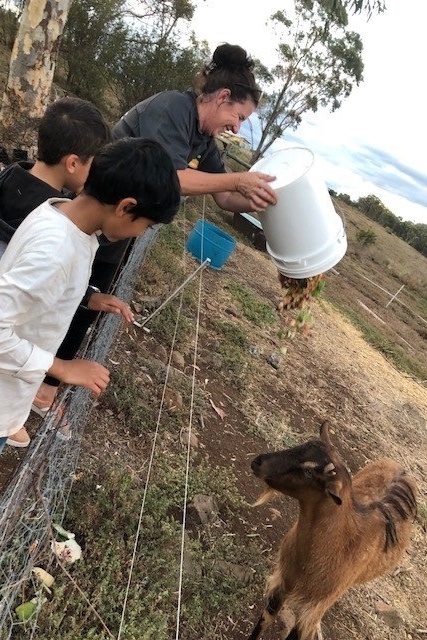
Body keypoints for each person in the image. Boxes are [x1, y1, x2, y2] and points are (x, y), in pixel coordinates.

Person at [36, 43, 277, 413]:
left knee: (87, 300)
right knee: (65, 295)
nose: (238, 126)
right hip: (97, 213)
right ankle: (40, 384)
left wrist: (269, 201)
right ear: (223, 97)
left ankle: (45, 386)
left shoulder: (203, 139)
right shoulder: (172, 109)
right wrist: (238, 180)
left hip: (120, 224)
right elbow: (174, 180)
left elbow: (226, 196)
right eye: (239, 116)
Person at [0, 137, 181, 454]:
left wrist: (86, 297)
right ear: (126, 207)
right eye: (146, 226)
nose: (140, 234)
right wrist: (63, 368)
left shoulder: (60, 213)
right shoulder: (56, 252)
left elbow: (43, 284)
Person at [0, 96, 137, 422]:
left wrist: (86, 296)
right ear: (73, 163)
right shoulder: (47, 216)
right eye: (95, 164)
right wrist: (61, 367)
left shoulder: (13, 176)